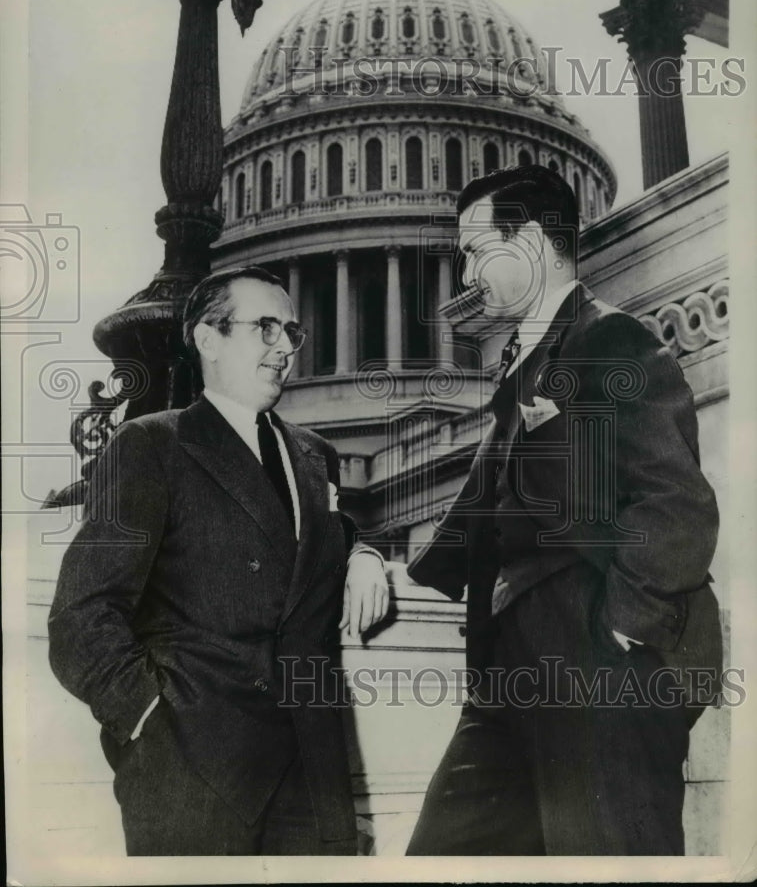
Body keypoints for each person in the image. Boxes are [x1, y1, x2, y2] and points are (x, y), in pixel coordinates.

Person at [406, 165, 721, 855]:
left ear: (528, 242)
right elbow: (484, 509)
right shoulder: (523, 362)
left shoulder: (609, 339)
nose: (467, 277)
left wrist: (623, 633)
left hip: (595, 665)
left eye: (474, 251)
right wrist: (368, 557)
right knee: (440, 856)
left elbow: (675, 500)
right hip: (508, 675)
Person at [48, 265, 389, 856]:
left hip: (311, 774)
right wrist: (149, 721)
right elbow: (81, 614)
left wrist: (362, 553)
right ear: (208, 339)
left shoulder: (316, 455)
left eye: (291, 332)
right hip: (193, 774)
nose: (286, 348)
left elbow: (310, 544)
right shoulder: (153, 444)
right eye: (265, 328)